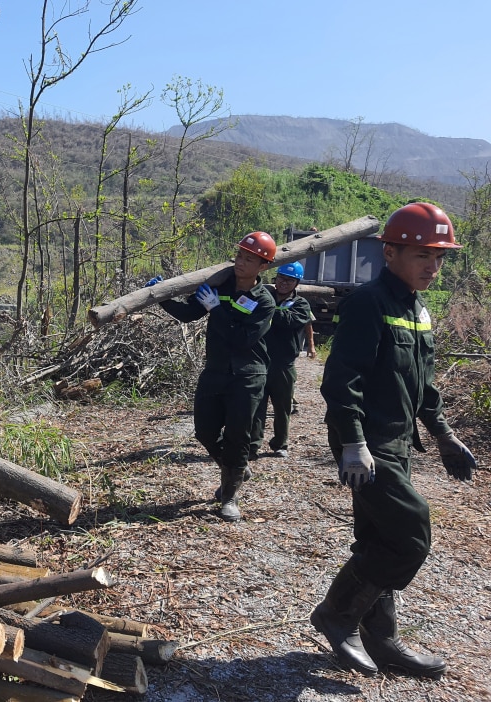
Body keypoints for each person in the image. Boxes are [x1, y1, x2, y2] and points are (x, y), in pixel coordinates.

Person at [312, 202, 477, 678]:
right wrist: (353, 443)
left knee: (379, 538)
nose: (433, 265)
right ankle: (336, 614)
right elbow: (341, 379)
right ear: (390, 252)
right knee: (411, 533)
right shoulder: (369, 303)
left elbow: (423, 386)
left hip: (399, 443)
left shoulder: (417, 309)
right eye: (423, 254)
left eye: (440, 256)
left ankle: (382, 642)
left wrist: (443, 436)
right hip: (367, 444)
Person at [155, 232, 277, 521]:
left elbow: (243, 339)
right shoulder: (220, 287)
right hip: (216, 371)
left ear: (263, 267)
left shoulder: (264, 301)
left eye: (250, 259)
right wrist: (160, 295)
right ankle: (235, 467)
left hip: (248, 375)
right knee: (204, 431)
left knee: (238, 436)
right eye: (240, 256)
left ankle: (230, 496)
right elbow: (188, 314)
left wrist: (217, 309)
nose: (241, 262)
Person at [250, 261, 313, 459]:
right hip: (260, 361)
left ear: (297, 283)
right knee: (257, 406)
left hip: (283, 365)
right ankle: (253, 445)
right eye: (281, 278)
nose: (284, 283)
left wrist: (265, 309)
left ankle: (280, 444)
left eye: (290, 280)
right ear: (275, 278)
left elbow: (290, 321)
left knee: (282, 407)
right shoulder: (265, 295)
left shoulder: (301, 304)